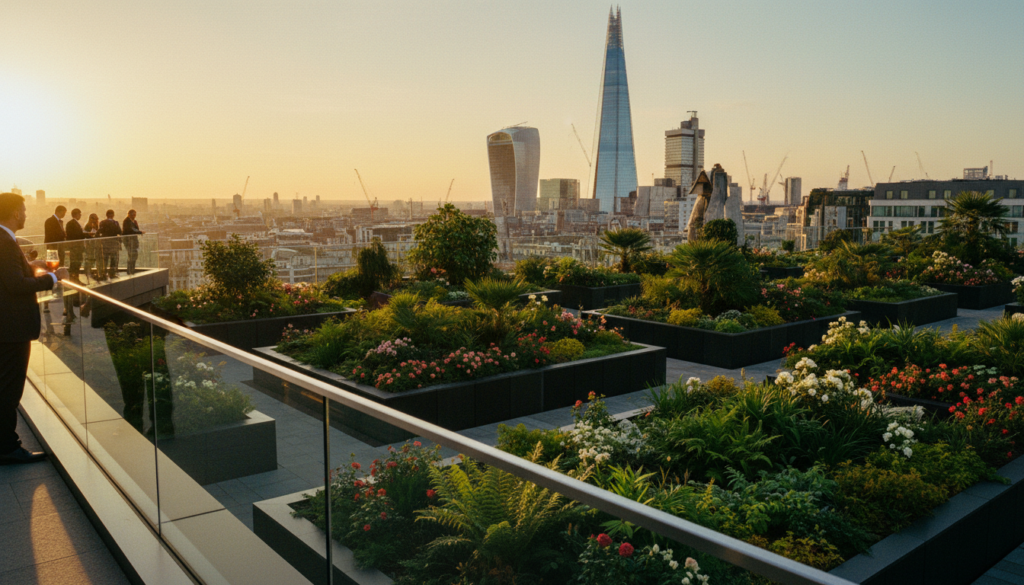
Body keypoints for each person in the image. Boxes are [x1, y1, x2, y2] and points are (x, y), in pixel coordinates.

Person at [0, 192, 68, 464]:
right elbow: (15, 285)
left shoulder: (5, 240)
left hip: (6, 328)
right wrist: (52, 277)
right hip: (11, 329)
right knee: (9, 389)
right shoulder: (5, 242)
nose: (27, 214)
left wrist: (32, 266)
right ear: (15, 213)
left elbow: (9, 274)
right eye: (24, 210)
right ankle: (7, 447)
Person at [97, 209, 122, 280]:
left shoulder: (102, 222)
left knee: (105, 259)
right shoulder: (116, 223)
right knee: (113, 259)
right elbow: (120, 232)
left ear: (106, 215)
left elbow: (99, 231)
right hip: (114, 243)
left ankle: (103, 274)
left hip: (105, 244)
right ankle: (112, 274)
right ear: (113, 215)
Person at [121, 209, 144, 275]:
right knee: (131, 255)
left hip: (133, 240)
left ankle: (131, 269)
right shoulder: (127, 221)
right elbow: (131, 230)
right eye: (133, 215)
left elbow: (135, 229)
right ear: (129, 214)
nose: (134, 216)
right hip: (129, 240)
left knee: (133, 255)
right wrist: (140, 232)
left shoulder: (133, 221)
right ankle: (130, 270)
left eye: (135, 215)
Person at [66, 208, 85, 283]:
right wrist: (85, 235)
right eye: (79, 214)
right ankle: (74, 278)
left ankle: (75, 278)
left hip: (76, 247)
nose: (80, 215)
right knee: (75, 263)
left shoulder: (73, 223)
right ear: (76, 214)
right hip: (75, 247)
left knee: (77, 262)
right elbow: (75, 235)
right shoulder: (72, 223)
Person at [82, 213, 100, 280]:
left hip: (94, 244)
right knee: (89, 257)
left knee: (92, 258)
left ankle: (90, 270)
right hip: (89, 244)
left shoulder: (96, 226)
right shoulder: (87, 226)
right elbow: (87, 236)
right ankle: (88, 270)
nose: (95, 220)